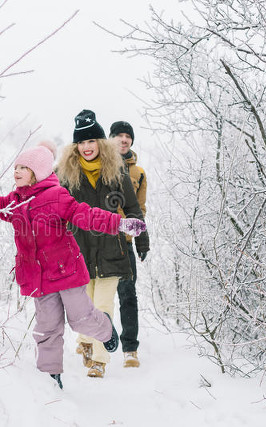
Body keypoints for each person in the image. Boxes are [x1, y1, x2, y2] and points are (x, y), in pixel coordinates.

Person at [0, 140, 145, 389]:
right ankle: (50, 380)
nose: (17, 171)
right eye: (16, 167)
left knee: (81, 320)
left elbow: (87, 215)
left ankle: (106, 330)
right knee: (47, 330)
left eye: (24, 167)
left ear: (38, 172)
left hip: (66, 272)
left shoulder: (56, 196)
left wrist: (119, 223)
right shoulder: (15, 202)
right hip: (38, 279)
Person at [56, 110, 149, 378]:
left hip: (112, 247)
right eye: (81, 143)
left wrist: (142, 240)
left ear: (100, 142)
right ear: (75, 147)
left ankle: (99, 360)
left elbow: (132, 208)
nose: (86, 147)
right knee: (85, 307)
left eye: (91, 141)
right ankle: (85, 340)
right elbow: (53, 208)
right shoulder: (65, 175)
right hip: (80, 250)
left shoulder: (117, 171)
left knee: (104, 305)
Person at [110, 120, 148, 368]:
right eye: (119, 135)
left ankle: (130, 349)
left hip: (124, 243)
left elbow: (140, 208)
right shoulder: (98, 166)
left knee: (127, 295)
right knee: (92, 294)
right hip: (98, 240)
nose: (124, 140)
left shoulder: (139, 173)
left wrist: (142, 239)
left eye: (128, 136)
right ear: (110, 138)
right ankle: (90, 341)